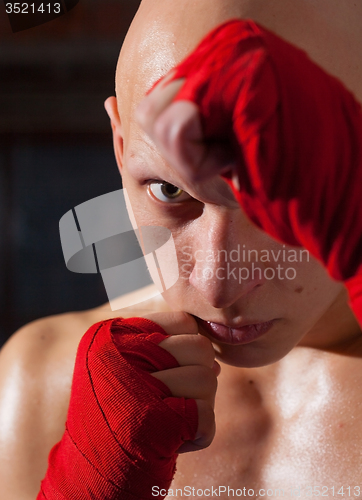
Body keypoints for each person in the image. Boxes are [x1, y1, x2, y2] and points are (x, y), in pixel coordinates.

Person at [0, 0, 362, 498]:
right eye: (170, 191)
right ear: (120, 147)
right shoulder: (37, 383)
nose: (217, 283)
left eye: (281, 193)